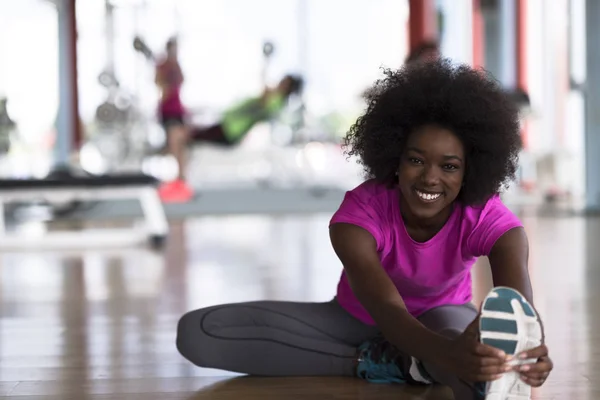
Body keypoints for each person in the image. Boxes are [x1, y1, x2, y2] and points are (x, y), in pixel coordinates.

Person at [175, 59, 553, 400]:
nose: (430, 178)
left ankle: (444, 369)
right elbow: (387, 309)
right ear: (394, 159)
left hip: (445, 317)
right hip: (357, 321)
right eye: (416, 160)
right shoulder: (360, 213)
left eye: (449, 166)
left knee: (464, 348)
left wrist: (530, 350)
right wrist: (443, 356)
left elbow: (519, 307)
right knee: (200, 332)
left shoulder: (487, 217)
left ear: (471, 169)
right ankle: (402, 365)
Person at [189, 74, 303, 146]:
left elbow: (263, 104)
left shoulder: (276, 101)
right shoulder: (276, 99)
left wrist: (269, 92)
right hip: (229, 125)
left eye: (285, 81)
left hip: (231, 129)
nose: (280, 81)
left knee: (192, 136)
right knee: (194, 135)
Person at [154, 37, 193, 202]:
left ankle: (181, 178)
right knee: (174, 143)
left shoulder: (176, 65)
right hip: (167, 110)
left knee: (180, 145)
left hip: (178, 110)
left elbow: (182, 81)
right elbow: (161, 85)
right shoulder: (162, 65)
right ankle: (175, 179)